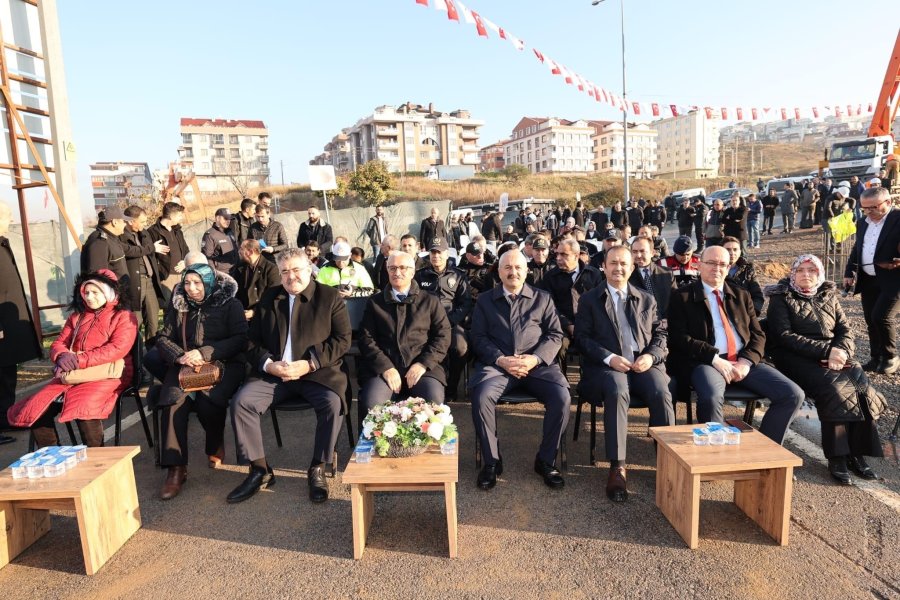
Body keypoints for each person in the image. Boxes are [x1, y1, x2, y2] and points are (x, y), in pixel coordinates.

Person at [227, 249, 351, 504]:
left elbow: (342, 340)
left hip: (317, 373)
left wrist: (310, 363)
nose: (291, 276)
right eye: (285, 271)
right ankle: (260, 470)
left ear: (309, 270)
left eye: (296, 270)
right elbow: (251, 342)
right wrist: (268, 365)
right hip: (276, 374)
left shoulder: (329, 296)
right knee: (242, 402)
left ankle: (317, 467)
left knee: (332, 403)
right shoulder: (269, 297)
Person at [766, 255, 886, 485]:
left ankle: (856, 453)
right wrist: (827, 351)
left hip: (835, 354)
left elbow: (845, 330)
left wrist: (842, 350)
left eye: (811, 270)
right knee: (835, 390)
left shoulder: (828, 294)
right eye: (801, 270)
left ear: (819, 273)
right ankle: (837, 457)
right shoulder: (781, 297)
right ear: (793, 273)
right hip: (796, 357)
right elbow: (783, 336)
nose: (806, 274)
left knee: (862, 389)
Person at [667, 246, 804, 444]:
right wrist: (714, 359)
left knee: (792, 395)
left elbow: (758, 334)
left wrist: (746, 361)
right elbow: (679, 338)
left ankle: (766, 449)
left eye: (722, 264)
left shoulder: (741, 295)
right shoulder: (682, 296)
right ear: (699, 265)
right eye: (711, 263)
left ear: (728, 267)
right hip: (705, 362)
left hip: (742, 361)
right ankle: (716, 454)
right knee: (711, 397)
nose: (717, 268)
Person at [576, 245, 673, 502]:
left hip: (642, 363)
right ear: (604, 266)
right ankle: (618, 467)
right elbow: (582, 339)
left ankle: (669, 461)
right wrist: (610, 358)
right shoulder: (589, 299)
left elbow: (660, 334)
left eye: (624, 264)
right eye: (613, 263)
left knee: (661, 391)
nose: (618, 268)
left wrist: (650, 356)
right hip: (606, 366)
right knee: (618, 390)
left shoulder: (646, 299)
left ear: (632, 268)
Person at [468, 250, 570, 490]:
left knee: (562, 397)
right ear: (499, 272)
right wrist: (501, 359)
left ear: (526, 271)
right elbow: (478, 337)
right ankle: (492, 461)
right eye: (507, 268)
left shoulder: (542, 298)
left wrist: (535, 359)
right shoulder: (485, 300)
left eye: (517, 267)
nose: (513, 272)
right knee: (481, 396)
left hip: (537, 367)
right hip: (498, 367)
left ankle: (546, 460)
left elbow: (555, 334)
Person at [7, 270, 137, 447]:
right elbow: (58, 343)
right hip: (73, 374)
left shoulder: (123, 316)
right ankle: (54, 454)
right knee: (36, 409)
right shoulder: (77, 317)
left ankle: (96, 457)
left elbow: (117, 349)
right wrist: (61, 356)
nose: (89, 297)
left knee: (84, 409)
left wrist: (78, 360)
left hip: (108, 374)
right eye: (86, 292)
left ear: (109, 292)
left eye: (95, 292)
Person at [150, 264, 248, 500]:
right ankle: (175, 469)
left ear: (209, 282)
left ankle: (215, 444)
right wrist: (179, 355)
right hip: (185, 365)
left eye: (197, 283)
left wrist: (204, 353)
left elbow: (241, 339)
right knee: (172, 404)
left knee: (208, 403)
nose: (191, 288)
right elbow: (162, 338)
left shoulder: (230, 305)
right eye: (187, 283)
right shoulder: (179, 306)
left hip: (223, 363)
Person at [358, 252, 450, 426]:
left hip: (423, 368)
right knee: (372, 404)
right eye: (392, 268)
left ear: (413, 271)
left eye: (403, 268)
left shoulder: (430, 301)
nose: (397, 272)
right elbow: (366, 338)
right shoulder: (375, 303)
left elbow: (443, 335)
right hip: (385, 368)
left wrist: (423, 363)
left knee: (433, 403)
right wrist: (385, 367)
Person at [843, 187, 900, 375]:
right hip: (868, 279)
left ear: (888, 202)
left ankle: (890, 357)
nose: (868, 212)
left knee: (881, 316)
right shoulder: (862, 222)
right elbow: (857, 248)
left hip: (894, 279)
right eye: (864, 208)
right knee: (870, 319)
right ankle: (876, 358)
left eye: (873, 207)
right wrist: (849, 271)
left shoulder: (898, 219)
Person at [0, 203, 42, 445]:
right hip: (2, 325)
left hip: (8, 323)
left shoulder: (2, 243)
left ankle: (5, 418)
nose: (9, 220)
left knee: (7, 373)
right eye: (7, 216)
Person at [415, 238, 473, 401]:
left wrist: (449, 322)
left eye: (439, 252)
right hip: (426, 324)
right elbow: (415, 302)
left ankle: (451, 387)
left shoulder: (458, 276)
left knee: (460, 348)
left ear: (447, 254)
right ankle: (427, 386)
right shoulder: (420, 276)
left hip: (450, 322)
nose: (436, 256)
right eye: (433, 252)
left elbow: (465, 303)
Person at [540, 239, 603, 363]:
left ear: (576, 255)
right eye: (557, 254)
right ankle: (560, 376)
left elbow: (599, 303)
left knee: (594, 345)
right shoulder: (550, 277)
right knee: (558, 346)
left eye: (564, 254)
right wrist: (568, 325)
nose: (558, 258)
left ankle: (589, 375)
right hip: (561, 326)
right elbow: (549, 307)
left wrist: (585, 324)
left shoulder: (593, 274)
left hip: (589, 324)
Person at [121, 205, 167, 343]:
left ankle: (152, 351)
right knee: (136, 320)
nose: (144, 224)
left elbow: (148, 249)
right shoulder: (120, 236)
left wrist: (151, 248)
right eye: (142, 221)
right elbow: (131, 251)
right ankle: (136, 352)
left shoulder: (144, 233)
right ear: (131, 221)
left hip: (149, 280)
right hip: (134, 282)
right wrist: (151, 248)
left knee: (153, 319)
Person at [148, 202, 190, 304]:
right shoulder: (152, 232)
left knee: (184, 306)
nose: (181, 218)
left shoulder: (178, 231)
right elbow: (147, 254)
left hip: (182, 275)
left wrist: (185, 262)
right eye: (179, 215)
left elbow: (186, 250)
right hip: (166, 277)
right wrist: (153, 248)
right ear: (171, 216)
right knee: (169, 307)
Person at [230, 239, 280, 321]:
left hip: (263, 317)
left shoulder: (272, 269)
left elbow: (273, 296)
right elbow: (236, 291)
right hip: (242, 315)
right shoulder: (240, 267)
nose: (239, 251)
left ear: (250, 252)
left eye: (241, 249)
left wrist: (254, 312)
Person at [82, 206, 130, 291]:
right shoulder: (99, 243)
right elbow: (98, 279)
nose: (125, 224)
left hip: (120, 293)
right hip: (112, 295)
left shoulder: (111, 238)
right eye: (123, 221)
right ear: (114, 222)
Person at [629, 236, 675, 319]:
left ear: (652, 252)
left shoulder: (666, 274)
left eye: (642, 251)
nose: (638, 255)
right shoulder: (627, 276)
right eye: (634, 252)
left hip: (667, 321)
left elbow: (676, 300)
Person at [721, 236, 764, 316]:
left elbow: (757, 296)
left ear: (740, 251)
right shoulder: (714, 271)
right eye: (728, 249)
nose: (732, 253)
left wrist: (750, 314)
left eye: (735, 249)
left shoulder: (748, 269)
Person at [201, 208, 238, 273]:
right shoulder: (210, 235)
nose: (228, 221)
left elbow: (235, 250)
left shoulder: (229, 232)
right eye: (225, 218)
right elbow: (207, 257)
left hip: (235, 269)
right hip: (223, 273)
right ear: (218, 218)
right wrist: (215, 273)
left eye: (229, 219)